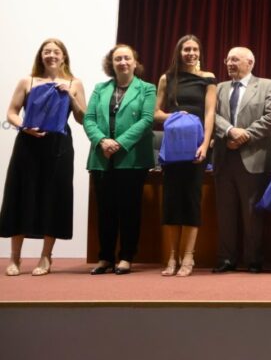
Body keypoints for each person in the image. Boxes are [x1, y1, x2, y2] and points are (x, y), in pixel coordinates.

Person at [2, 38, 86, 276]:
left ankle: (46, 256)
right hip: (28, 145)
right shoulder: (26, 81)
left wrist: (71, 96)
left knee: (54, 197)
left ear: (63, 56)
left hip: (59, 147)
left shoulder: (75, 83)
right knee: (21, 195)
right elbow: (11, 112)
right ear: (41, 56)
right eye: (46, 51)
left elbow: (82, 118)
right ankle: (15, 258)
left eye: (56, 52)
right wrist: (24, 126)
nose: (51, 55)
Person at [83, 44, 156, 275]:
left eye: (127, 58)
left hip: (132, 158)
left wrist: (119, 143)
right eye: (117, 59)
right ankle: (105, 257)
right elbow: (89, 119)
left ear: (135, 62)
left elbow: (146, 120)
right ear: (111, 64)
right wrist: (102, 141)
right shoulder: (100, 89)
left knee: (129, 210)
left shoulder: (147, 89)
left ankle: (126, 257)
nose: (122, 62)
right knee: (105, 211)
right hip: (102, 158)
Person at [212, 47, 271, 274]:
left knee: (252, 214)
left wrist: (245, 136)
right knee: (225, 212)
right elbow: (211, 115)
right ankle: (226, 259)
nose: (230, 63)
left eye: (235, 59)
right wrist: (230, 131)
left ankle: (253, 259)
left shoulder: (267, 85)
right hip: (224, 157)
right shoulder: (219, 88)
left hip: (253, 157)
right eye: (228, 59)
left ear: (250, 62)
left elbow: (270, 117)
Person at [154, 34, 216, 277]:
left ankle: (188, 256)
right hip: (173, 147)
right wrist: (175, 116)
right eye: (186, 49)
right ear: (179, 52)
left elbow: (210, 113)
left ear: (200, 53)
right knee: (171, 201)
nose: (191, 53)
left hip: (196, 146)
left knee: (191, 200)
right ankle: (172, 256)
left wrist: (205, 145)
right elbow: (155, 113)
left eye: (194, 49)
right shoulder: (166, 78)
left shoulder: (208, 78)